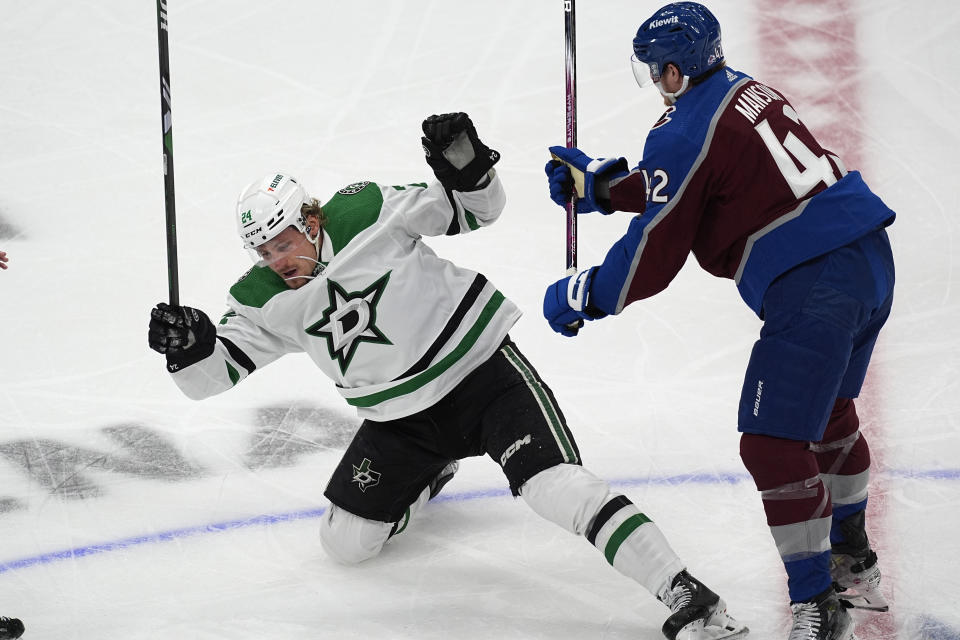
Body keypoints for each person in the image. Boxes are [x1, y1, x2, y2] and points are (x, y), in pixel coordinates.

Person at [148, 112, 747, 640]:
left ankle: (682, 590)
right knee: (345, 544)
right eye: (264, 253)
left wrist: (465, 168)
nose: (278, 262)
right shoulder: (260, 297)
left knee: (553, 487)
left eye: (283, 242)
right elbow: (209, 378)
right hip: (399, 423)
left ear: (311, 216)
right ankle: (429, 478)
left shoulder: (365, 209)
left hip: (483, 377)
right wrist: (189, 348)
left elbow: (479, 209)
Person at [543, 4, 894, 640]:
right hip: (867, 258)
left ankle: (821, 604)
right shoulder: (747, 91)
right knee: (830, 417)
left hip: (815, 284)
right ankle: (853, 561)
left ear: (675, 69)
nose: (655, 78)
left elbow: (652, 255)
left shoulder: (682, 132)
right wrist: (602, 188)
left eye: (656, 69)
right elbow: (697, 180)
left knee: (771, 442)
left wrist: (584, 292)